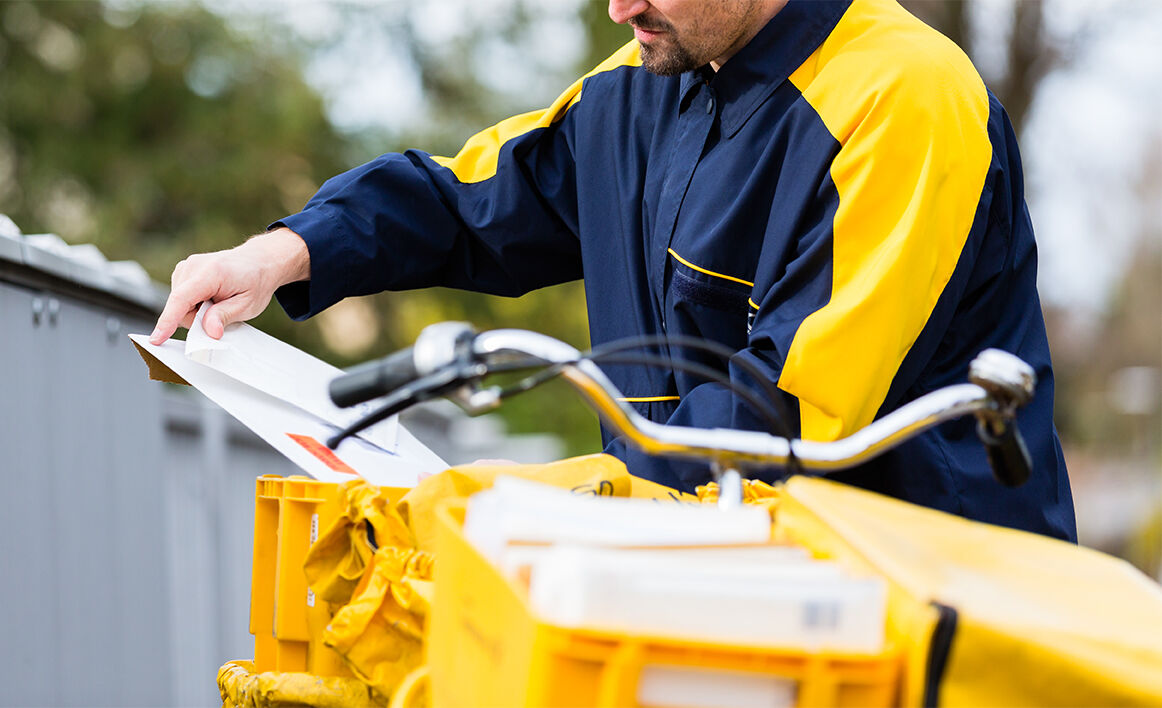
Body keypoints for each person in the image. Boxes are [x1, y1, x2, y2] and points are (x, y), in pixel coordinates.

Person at [151, 0, 1077, 541]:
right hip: (712, 589)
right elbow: (471, 200)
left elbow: (780, 417)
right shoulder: (646, 80)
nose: (619, 6)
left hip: (932, 617)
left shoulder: (908, 100)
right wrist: (285, 252)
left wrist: (538, 507)